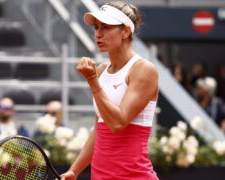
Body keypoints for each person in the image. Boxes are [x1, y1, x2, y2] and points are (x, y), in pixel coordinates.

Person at [61, 1, 159, 179]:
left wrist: (92, 80)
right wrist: (74, 171)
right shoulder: (100, 71)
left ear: (126, 31)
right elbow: (100, 129)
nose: (98, 34)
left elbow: (118, 123)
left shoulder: (144, 70)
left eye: (106, 27)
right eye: (97, 27)